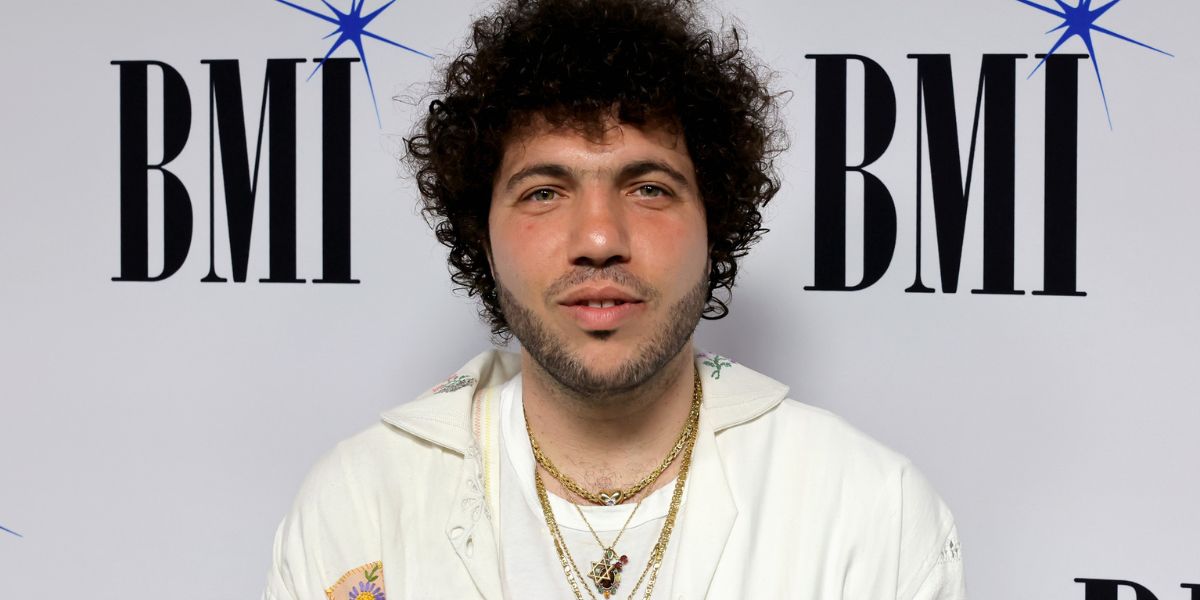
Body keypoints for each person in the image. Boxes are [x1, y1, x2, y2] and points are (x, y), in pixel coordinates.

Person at [262, 0, 968, 598]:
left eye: (648, 188)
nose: (599, 238)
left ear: (714, 225)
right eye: (544, 192)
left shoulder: (871, 513)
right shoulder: (358, 503)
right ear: (484, 237)